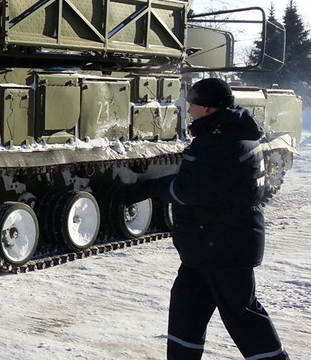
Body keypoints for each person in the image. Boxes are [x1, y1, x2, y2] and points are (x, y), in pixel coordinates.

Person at [124, 78, 289, 360]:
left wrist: (151, 187)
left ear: (210, 109)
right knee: (186, 309)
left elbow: (191, 190)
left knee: (241, 313)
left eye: (193, 104)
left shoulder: (223, 141)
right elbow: (202, 182)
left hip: (224, 244)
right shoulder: (225, 133)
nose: (188, 110)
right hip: (206, 244)